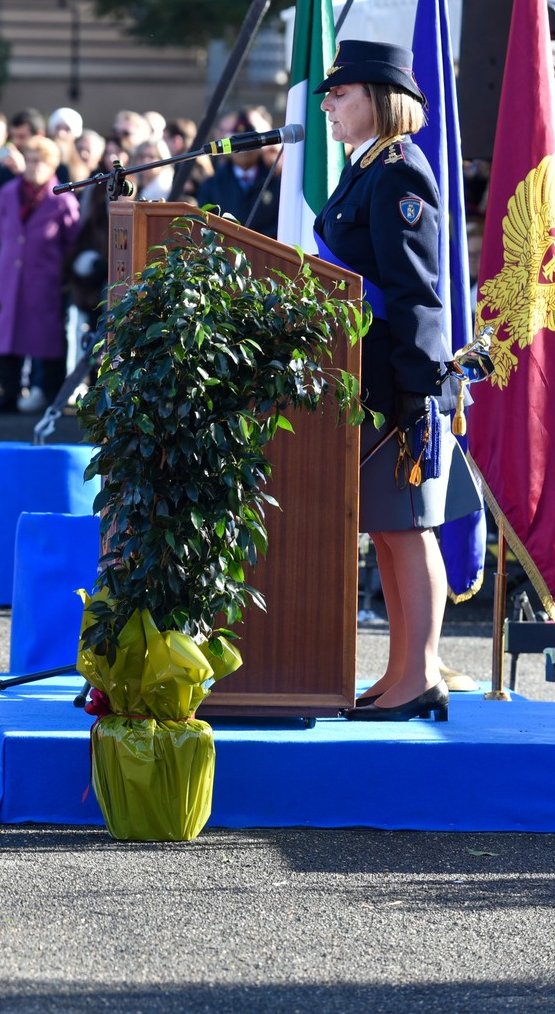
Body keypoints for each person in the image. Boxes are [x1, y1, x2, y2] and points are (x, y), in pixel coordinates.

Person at [313, 41, 478, 723]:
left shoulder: (398, 171)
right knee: (385, 528)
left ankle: (422, 675)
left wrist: (417, 391)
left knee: (408, 528)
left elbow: (416, 292)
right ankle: (399, 671)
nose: (328, 104)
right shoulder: (365, 170)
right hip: (365, 375)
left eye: (341, 93)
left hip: (393, 380)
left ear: (379, 99)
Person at [0, 136, 80, 412]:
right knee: (6, 333)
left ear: (52, 165)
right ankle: (8, 393)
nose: (33, 166)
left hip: (44, 278)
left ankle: (50, 393)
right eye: (29, 160)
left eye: (39, 161)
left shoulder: (63, 199)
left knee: (46, 336)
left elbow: (72, 242)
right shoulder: (7, 192)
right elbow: (2, 229)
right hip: (9, 275)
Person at [195, 107, 283, 237]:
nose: (244, 147)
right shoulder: (211, 186)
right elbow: (206, 228)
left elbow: (282, 224)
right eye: (236, 139)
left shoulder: (279, 181)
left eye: (251, 139)